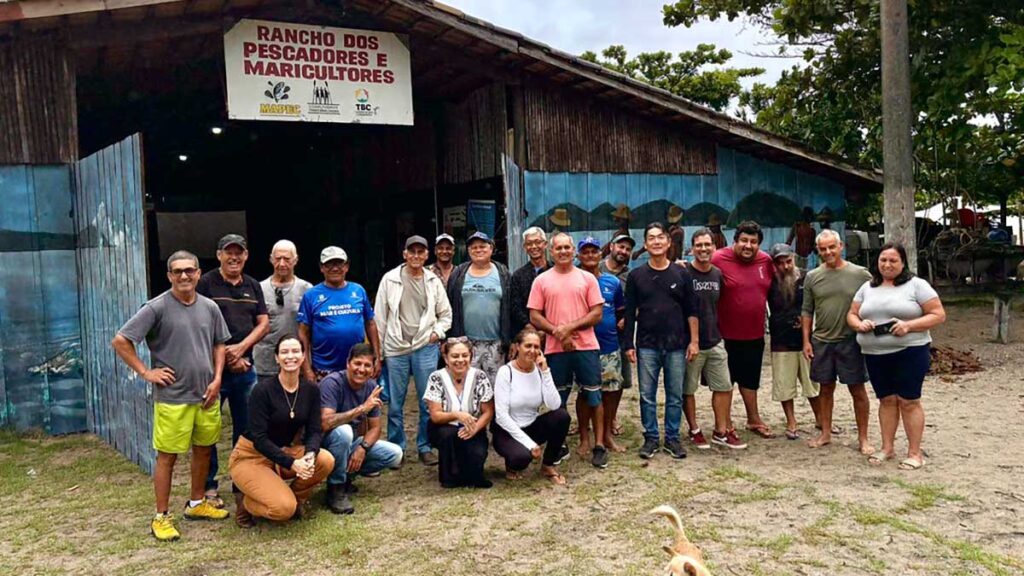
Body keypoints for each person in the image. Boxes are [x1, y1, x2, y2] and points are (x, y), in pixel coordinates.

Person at [111, 250, 230, 541]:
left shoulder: (210, 307)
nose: (184, 276)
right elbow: (121, 340)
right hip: (173, 398)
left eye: (189, 270)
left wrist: (217, 379)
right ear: (169, 276)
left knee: (204, 449)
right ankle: (161, 516)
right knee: (168, 457)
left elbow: (219, 345)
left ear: (199, 273)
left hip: (206, 395)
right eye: (177, 271)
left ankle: (196, 503)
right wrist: (146, 372)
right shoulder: (156, 307)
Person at [849, 243, 945, 470]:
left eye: (893, 260)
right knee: (887, 400)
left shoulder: (917, 285)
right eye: (883, 260)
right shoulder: (867, 287)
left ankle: (914, 453)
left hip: (910, 351)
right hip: (875, 353)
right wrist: (859, 324)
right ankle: (887, 447)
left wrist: (909, 326)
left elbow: (938, 314)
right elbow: (851, 314)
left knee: (909, 401)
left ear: (903, 263)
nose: (887, 264)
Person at [228, 335, 334, 527]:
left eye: (295, 351)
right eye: (284, 352)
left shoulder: (311, 390)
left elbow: (314, 430)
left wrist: (309, 454)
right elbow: (259, 438)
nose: (290, 356)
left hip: (282, 453)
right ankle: (246, 503)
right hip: (251, 455)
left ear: (303, 357)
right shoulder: (261, 390)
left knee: (325, 460)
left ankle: (296, 499)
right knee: (282, 510)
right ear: (277, 358)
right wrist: (293, 463)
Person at [196, 234, 269, 507]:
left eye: (239, 253)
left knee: (246, 428)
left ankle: (241, 480)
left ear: (246, 256)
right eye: (229, 252)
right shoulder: (205, 284)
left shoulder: (252, 285)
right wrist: (227, 356)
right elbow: (199, 323)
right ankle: (208, 485)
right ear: (219, 255)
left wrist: (241, 349)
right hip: (212, 372)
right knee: (208, 429)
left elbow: (263, 324)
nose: (234, 257)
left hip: (245, 368)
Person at [528, 232, 607, 468]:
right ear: (551, 252)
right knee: (557, 400)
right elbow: (534, 315)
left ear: (573, 251)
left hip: (586, 347)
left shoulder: (587, 279)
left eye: (567, 247)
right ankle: (558, 444)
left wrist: (568, 329)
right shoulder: (541, 280)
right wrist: (557, 333)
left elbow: (597, 313)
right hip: (554, 349)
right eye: (558, 248)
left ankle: (599, 445)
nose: (563, 251)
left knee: (593, 395)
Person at [375, 235, 452, 467]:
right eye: (412, 252)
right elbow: (380, 317)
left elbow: (445, 314)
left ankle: (425, 446)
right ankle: (397, 448)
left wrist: (436, 333)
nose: (416, 256)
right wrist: (379, 352)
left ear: (427, 255)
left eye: (421, 252)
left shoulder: (433, 281)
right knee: (396, 403)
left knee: (426, 400)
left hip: (424, 347)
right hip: (396, 348)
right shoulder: (390, 279)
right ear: (404, 254)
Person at [624, 223, 700, 459]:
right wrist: (628, 344)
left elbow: (692, 310)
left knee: (675, 394)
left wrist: (694, 341)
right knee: (647, 395)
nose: (656, 242)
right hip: (647, 345)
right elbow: (629, 312)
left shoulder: (682, 274)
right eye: (651, 238)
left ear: (668, 243)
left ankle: (673, 438)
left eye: (660, 238)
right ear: (645, 245)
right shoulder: (636, 276)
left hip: (677, 345)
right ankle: (651, 438)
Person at [802, 229, 874, 452]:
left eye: (831, 247)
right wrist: (806, 340)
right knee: (825, 389)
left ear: (840, 246)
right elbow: (807, 311)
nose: (828, 252)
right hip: (822, 340)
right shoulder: (813, 276)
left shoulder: (861, 274)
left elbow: (874, 301)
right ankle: (825, 433)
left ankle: (863, 438)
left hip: (851, 340)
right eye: (823, 249)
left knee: (857, 389)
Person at [319, 344, 403, 514]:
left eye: (367, 365)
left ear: (373, 369)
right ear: (348, 363)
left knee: (395, 454)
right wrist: (361, 409)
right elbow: (326, 422)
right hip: (324, 444)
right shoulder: (332, 383)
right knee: (344, 432)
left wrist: (362, 448)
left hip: (350, 443)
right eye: (357, 363)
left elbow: (375, 428)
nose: (361, 369)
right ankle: (336, 488)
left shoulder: (372, 387)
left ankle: (347, 476)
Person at [711, 220, 775, 440]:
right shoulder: (718, 258)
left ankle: (753, 418)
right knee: (724, 381)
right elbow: (698, 273)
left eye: (754, 242)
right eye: (744, 241)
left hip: (754, 333)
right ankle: (725, 422)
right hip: (723, 334)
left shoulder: (766, 261)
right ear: (735, 241)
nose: (748, 246)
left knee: (750, 380)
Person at [492, 328, 571, 485]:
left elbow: (554, 404)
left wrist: (546, 372)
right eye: (528, 346)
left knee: (562, 416)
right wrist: (530, 444)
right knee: (521, 458)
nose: (532, 351)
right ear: (517, 347)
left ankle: (548, 465)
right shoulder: (505, 372)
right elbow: (501, 416)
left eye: (536, 347)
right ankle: (512, 465)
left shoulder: (540, 370)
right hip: (507, 430)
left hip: (531, 425)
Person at [684, 229, 739, 450]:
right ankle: (694, 429)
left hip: (715, 340)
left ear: (714, 247)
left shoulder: (717, 274)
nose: (704, 249)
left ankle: (720, 430)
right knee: (688, 389)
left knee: (724, 387)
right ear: (692, 248)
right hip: (690, 343)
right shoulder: (684, 274)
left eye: (707, 245)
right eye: (699, 245)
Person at [297, 246, 381, 382]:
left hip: (358, 367)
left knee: (362, 403)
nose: (335, 268)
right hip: (324, 369)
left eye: (339, 263)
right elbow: (303, 332)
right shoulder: (311, 295)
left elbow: (370, 323)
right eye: (329, 264)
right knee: (327, 403)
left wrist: (376, 357)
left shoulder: (358, 291)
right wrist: (306, 368)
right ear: (321, 267)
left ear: (347, 266)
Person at [423, 337, 495, 488]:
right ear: (446, 358)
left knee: (476, 460)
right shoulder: (436, 377)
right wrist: (457, 414)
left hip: (473, 427)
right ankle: (449, 476)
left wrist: (475, 428)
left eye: (464, 355)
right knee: (448, 435)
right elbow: (435, 416)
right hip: (444, 427)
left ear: (471, 356)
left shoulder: (480, 376)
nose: (460, 360)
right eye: (455, 356)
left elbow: (488, 411)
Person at [767, 244, 822, 440]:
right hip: (780, 338)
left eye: (788, 261)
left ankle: (821, 419)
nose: (785, 266)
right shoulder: (769, 282)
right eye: (780, 263)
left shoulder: (807, 278)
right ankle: (791, 421)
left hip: (805, 339)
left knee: (812, 383)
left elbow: (817, 304)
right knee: (784, 385)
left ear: (793, 259)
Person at [577, 236, 626, 453]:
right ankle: (584, 437)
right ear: (579, 255)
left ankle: (606, 434)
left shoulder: (612, 282)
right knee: (584, 393)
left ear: (600, 254)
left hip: (609, 346)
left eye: (593, 251)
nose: (589, 256)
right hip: (583, 347)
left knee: (612, 391)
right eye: (585, 252)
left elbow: (621, 311)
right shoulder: (574, 280)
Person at [447, 231, 512, 383]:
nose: (478, 250)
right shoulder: (458, 273)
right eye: (473, 247)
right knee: (467, 387)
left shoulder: (502, 273)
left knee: (495, 388)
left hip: (496, 344)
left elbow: (510, 307)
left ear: (491, 249)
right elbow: (449, 306)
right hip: (466, 345)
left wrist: (510, 338)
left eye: (482, 246)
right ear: (468, 251)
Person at [253, 240, 312, 379]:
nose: (282, 264)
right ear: (271, 259)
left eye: (287, 259)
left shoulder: (307, 289)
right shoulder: (258, 289)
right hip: (265, 363)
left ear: (295, 260)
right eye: (278, 258)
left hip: (296, 362)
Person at [601, 233, 636, 435]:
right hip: (596, 333)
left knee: (619, 380)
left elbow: (636, 303)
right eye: (620, 247)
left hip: (621, 336)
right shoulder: (595, 269)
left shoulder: (630, 276)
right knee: (590, 381)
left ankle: (611, 418)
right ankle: (586, 421)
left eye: (627, 249)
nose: (623, 251)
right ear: (612, 247)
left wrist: (629, 317)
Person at [510, 227, 550, 336]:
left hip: (554, 332)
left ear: (545, 244)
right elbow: (515, 307)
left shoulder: (555, 271)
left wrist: (548, 330)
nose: (534, 247)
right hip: (528, 334)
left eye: (538, 242)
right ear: (524, 247)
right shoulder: (518, 276)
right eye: (529, 243)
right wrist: (531, 329)